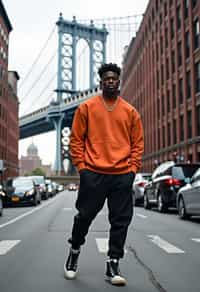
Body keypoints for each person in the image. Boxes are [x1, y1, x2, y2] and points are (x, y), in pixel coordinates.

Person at [64, 63, 144, 286]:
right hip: (94, 174)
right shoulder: (86, 108)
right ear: (101, 82)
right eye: (106, 78)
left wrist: (132, 169)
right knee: (84, 217)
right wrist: (82, 168)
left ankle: (113, 264)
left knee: (120, 221)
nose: (110, 81)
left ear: (119, 82)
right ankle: (74, 251)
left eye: (114, 78)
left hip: (122, 175)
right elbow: (76, 140)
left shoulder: (130, 112)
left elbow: (137, 143)